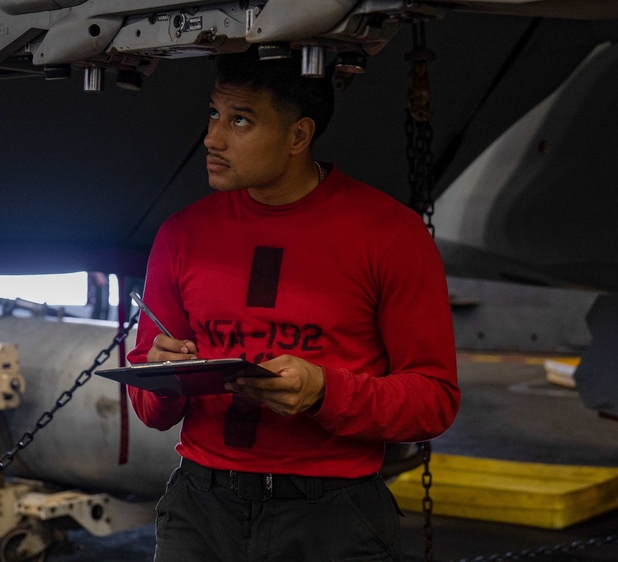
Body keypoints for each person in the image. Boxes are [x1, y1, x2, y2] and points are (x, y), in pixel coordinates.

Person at [127, 46, 460, 562]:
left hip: (332, 516)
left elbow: (433, 399)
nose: (212, 138)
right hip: (200, 509)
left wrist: (326, 391)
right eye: (215, 114)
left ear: (298, 137)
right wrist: (162, 376)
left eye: (240, 120)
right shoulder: (181, 234)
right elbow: (150, 411)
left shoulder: (391, 236)